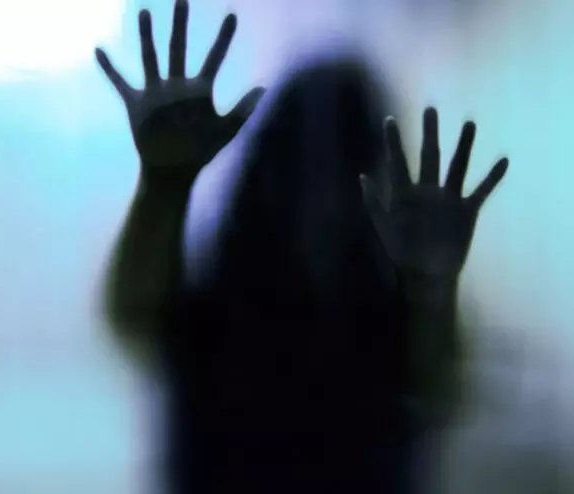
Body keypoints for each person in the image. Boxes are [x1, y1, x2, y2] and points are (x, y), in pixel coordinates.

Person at [96, 1, 508, 492]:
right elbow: (138, 318)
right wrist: (163, 185)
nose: (325, 194)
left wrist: (432, 288)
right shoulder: (223, 300)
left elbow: (438, 389)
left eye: (345, 167)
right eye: (308, 166)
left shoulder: (388, 307)